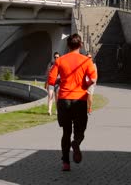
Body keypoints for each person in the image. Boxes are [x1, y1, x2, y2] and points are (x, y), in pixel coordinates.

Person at [48, 34, 97, 172]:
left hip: (64, 100)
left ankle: (65, 163)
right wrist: (85, 85)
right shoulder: (86, 61)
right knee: (80, 130)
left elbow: (51, 80)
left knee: (66, 132)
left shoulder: (60, 60)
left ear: (68, 45)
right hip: (79, 100)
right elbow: (93, 79)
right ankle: (76, 143)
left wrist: (59, 81)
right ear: (80, 45)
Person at [45, 52, 61, 116]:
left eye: (57, 57)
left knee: (57, 98)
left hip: (58, 83)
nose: (56, 58)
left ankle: (57, 110)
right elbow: (48, 74)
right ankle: (49, 110)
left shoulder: (61, 64)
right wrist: (46, 83)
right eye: (55, 57)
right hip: (51, 83)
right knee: (50, 96)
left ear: (59, 57)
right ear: (53, 57)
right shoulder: (51, 64)